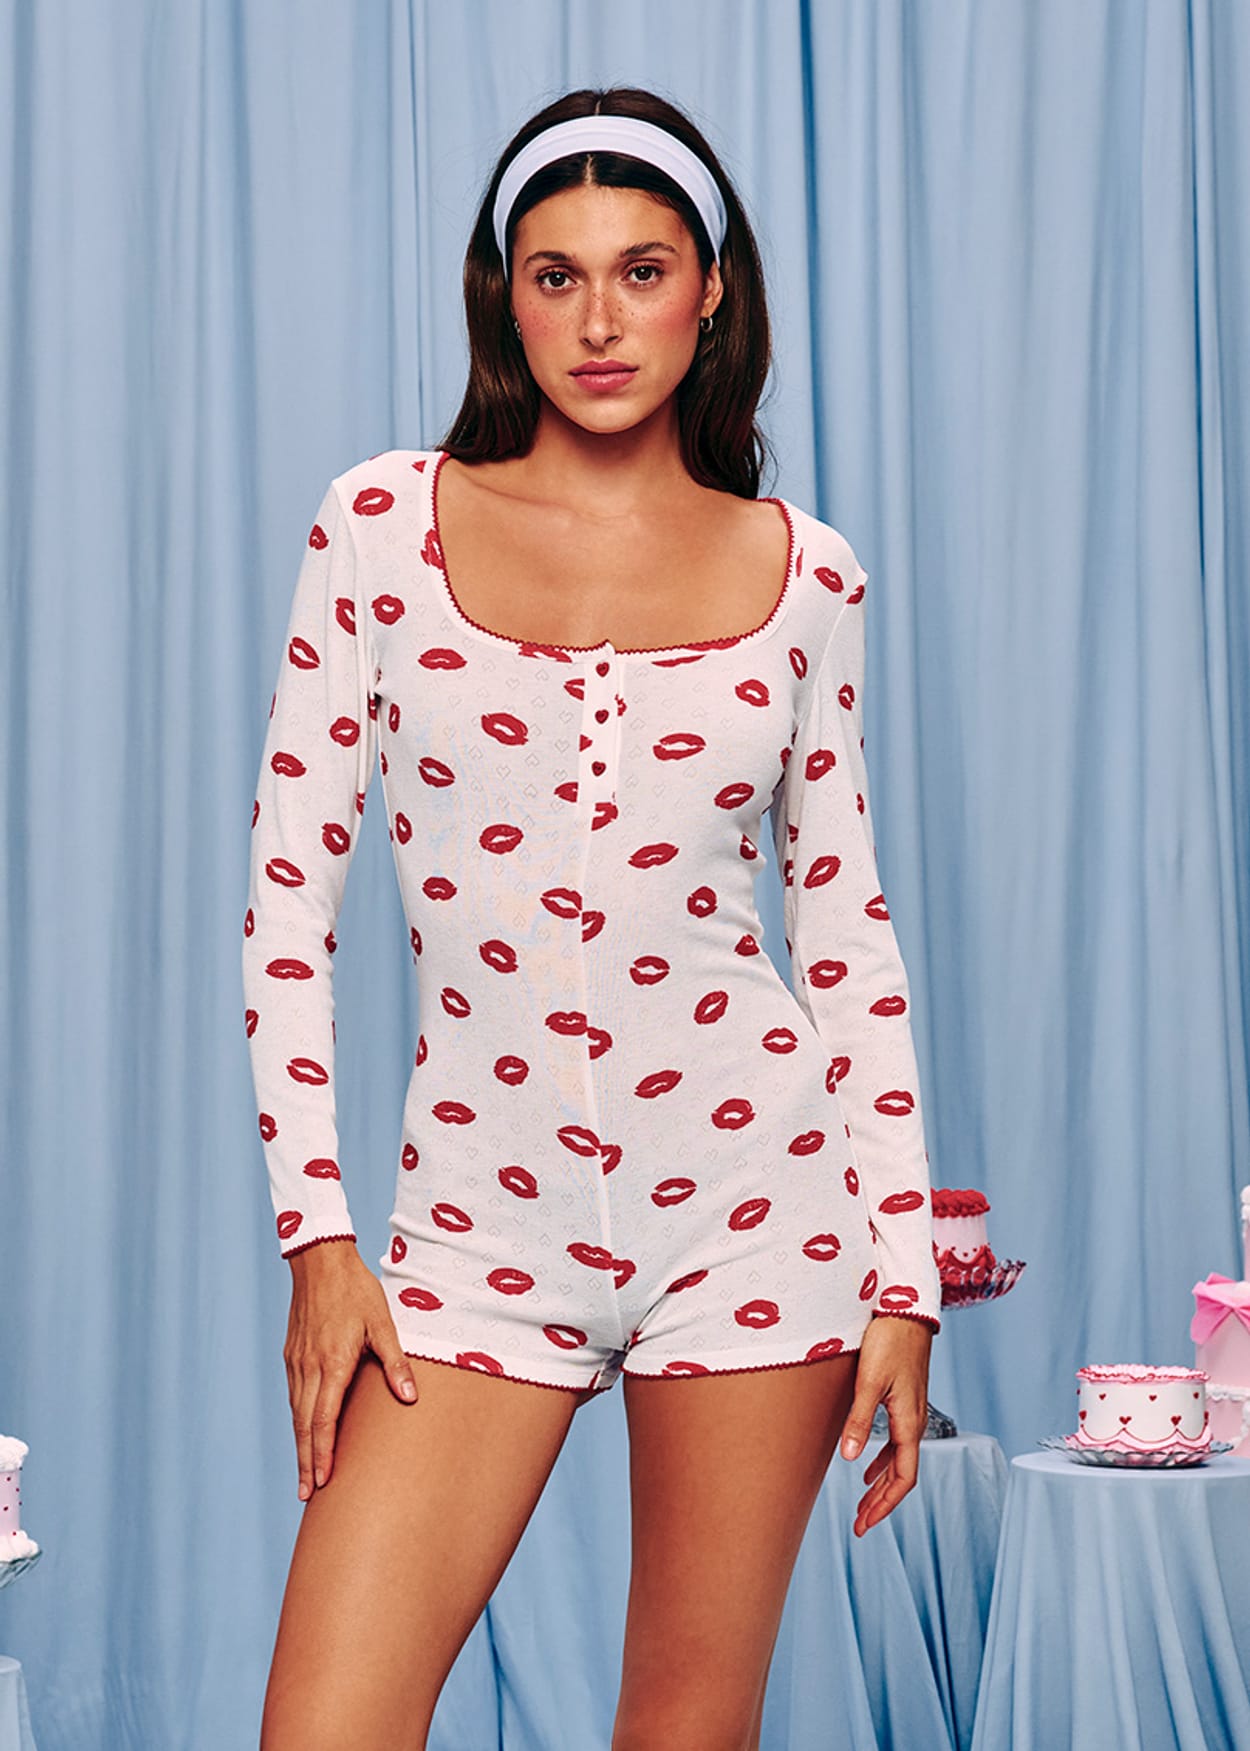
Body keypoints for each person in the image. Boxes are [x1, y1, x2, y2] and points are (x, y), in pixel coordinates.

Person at [243, 83, 943, 1751]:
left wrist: (902, 1277)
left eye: (642, 271)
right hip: (472, 1234)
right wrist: (317, 1238)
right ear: (506, 299)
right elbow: (283, 903)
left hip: (760, 1218)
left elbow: (844, 933)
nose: (600, 320)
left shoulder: (808, 574)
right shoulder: (380, 528)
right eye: (555, 277)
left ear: (711, 293)